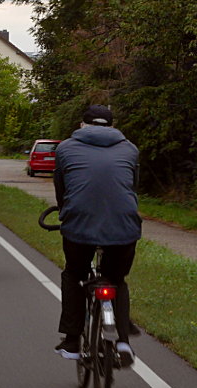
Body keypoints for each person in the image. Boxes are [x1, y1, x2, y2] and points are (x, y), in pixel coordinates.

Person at [52, 104, 141, 368]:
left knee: (74, 274)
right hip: (124, 226)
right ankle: (123, 342)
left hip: (80, 225)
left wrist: (65, 213)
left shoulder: (65, 148)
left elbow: (62, 188)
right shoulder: (130, 149)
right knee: (117, 280)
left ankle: (71, 341)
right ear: (112, 126)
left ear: (83, 125)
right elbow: (132, 188)